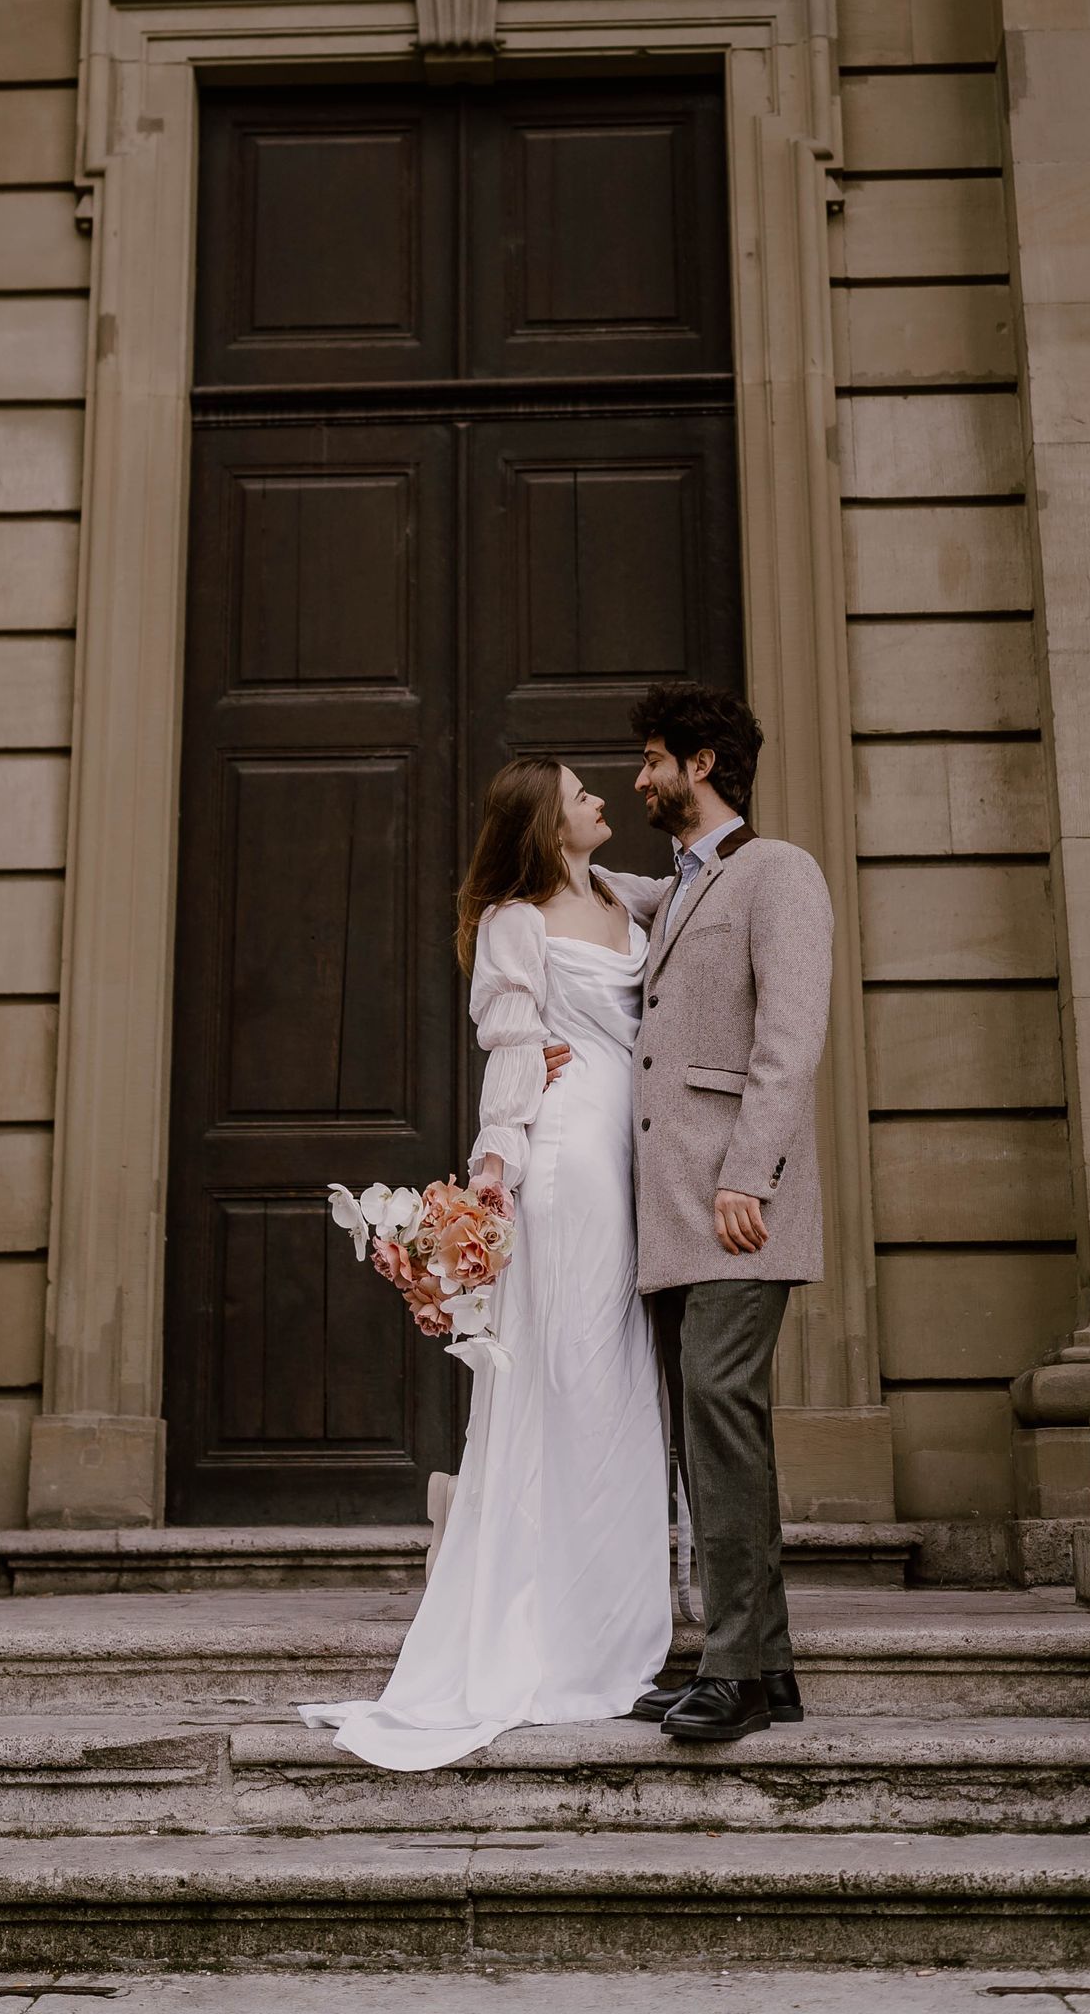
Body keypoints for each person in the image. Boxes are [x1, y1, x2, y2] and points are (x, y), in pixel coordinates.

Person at [302, 756, 672, 1769]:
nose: (602, 800)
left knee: (617, 1388)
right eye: (582, 793)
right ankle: (557, 1644)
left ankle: (617, 1631)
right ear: (549, 821)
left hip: (633, 1159)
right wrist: (494, 1173)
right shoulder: (516, 922)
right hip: (565, 1164)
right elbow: (514, 1056)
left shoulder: (626, 896)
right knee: (569, 1383)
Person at [621, 680, 834, 1745]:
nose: (640, 778)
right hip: (677, 1219)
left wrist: (750, 1173)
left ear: (701, 764)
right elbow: (623, 898)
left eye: (654, 759)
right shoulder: (686, 886)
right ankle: (768, 1667)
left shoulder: (777, 873)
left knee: (722, 1426)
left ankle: (738, 1667)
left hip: (738, 1207)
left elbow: (789, 1038)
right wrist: (539, 862)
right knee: (710, 1435)